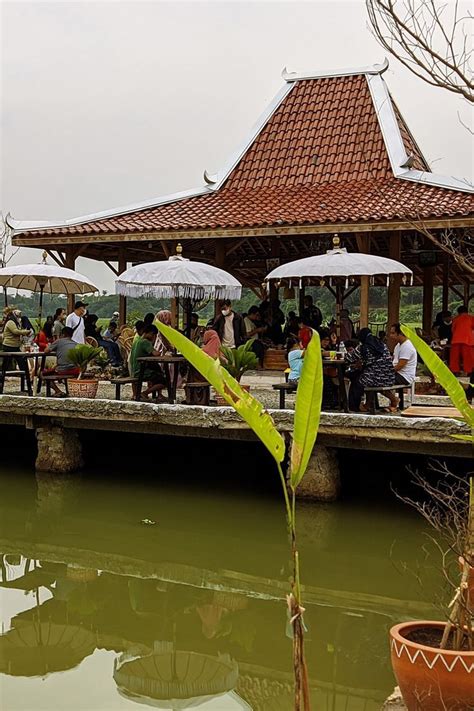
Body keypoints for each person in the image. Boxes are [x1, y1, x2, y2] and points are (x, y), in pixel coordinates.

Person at [345, 328, 395, 412]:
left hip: (375, 378)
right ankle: (368, 404)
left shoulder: (363, 348)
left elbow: (349, 358)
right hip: (389, 377)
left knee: (358, 381)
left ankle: (354, 406)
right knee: (365, 376)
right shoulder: (382, 345)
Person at [129, 324, 167, 401]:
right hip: (141, 371)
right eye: (153, 335)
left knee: (157, 369)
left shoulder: (137, 341)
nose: (154, 337)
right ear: (150, 333)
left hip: (135, 370)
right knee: (164, 381)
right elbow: (156, 354)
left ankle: (158, 395)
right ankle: (145, 393)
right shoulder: (145, 342)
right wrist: (164, 351)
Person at [43, 326, 81, 397]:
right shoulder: (76, 344)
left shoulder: (59, 341)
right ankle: (65, 391)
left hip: (62, 370)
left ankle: (58, 391)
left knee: (42, 374)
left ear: (63, 334)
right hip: (74, 370)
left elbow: (46, 351)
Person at [387, 323, 418, 409]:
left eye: (393, 333)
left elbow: (400, 366)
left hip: (404, 376)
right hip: (397, 373)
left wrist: (386, 372)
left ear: (400, 334)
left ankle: (394, 400)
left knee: (379, 380)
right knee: (374, 379)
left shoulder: (407, 346)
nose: (390, 335)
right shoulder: (398, 346)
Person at [0, 308, 32, 372]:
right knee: (7, 363)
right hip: (9, 346)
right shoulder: (10, 322)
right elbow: (15, 331)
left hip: (14, 346)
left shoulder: (14, 323)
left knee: (21, 361)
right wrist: (25, 332)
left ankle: (24, 375)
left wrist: (24, 333)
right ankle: (2, 377)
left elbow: (18, 331)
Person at [449, 305, 473, 375]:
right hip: (468, 340)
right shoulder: (471, 318)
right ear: (467, 311)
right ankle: (469, 371)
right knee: (468, 358)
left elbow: (453, 330)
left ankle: (455, 371)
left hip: (456, 340)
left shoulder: (455, 319)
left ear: (458, 312)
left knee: (454, 357)